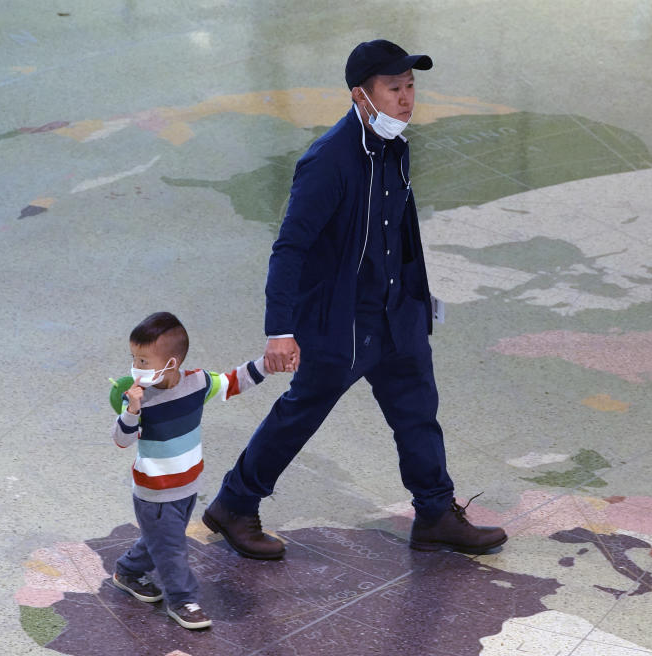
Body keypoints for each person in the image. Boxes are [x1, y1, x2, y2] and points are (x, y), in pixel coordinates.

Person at [202, 39, 507, 558]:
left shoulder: (396, 145)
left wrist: (417, 294)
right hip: (341, 322)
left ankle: (434, 512)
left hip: (397, 313)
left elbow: (398, 227)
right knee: (301, 412)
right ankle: (234, 504)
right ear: (361, 96)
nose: (407, 99)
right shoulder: (327, 161)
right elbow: (290, 248)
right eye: (394, 89)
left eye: (411, 87)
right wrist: (280, 329)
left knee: (417, 412)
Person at [110, 311, 268, 630]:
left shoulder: (197, 383)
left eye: (143, 361)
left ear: (172, 362)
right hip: (154, 492)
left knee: (161, 540)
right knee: (171, 548)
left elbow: (234, 382)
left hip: (187, 486)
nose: (136, 368)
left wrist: (267, 364)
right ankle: (183, 599)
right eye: (134, 359)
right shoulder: (141, 398)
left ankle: (127, 571)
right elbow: (121, 440)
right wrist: (132, 411)